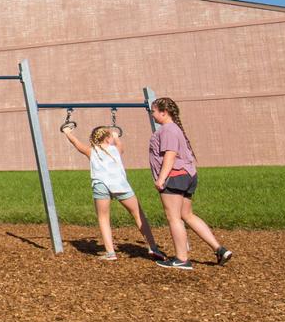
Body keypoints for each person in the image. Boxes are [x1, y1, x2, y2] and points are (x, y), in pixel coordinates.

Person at [148, 97, 231, 271]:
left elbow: (170, 155)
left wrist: (161, 179)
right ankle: (219, 249)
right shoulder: (174, 129)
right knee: (187, 215)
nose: (152, 113)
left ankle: (181, 259)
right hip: (187, 175)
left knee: (174, 217)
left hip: (175, 177)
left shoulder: (168, 130)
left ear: (164, 112)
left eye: (154, 110)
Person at [61, 119, 161, 262]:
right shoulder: (116, 149)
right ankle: (153, 247)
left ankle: (110, 252)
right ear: (108, 139)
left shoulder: (91, 151)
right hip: (120, 185)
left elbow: (76, 144)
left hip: (101, 185)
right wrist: (116, 135)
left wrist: (68, 132)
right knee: (138, 214)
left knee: (103, 218)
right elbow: (120, 144)